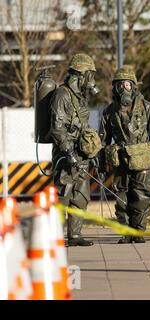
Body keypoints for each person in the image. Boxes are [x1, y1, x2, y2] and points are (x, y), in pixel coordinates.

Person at [99, 65, 150, 243]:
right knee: (121, 197)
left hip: (142, 158)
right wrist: (100, 162)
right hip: (121, 159)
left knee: (142, 196)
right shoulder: (109, 112)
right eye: (120, 85)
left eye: (128, 85)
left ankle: (138, 231)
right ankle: (125, 232)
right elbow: (103, 140)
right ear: (115, 88)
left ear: (134, 86)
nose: (124, 88)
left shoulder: (147, 108)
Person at [49, 53, 101, 246]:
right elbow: (57, 127)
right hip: (65, 154)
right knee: (64, 194)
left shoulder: (79, 97)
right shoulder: (61, 95)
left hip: (81, 153)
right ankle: (55, 235)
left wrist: (91, 151)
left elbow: (83, 126)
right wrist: (68, 152)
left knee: (81, 194)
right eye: (90, 74)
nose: (92, 80)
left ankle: (75, 235)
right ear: (82, 74)